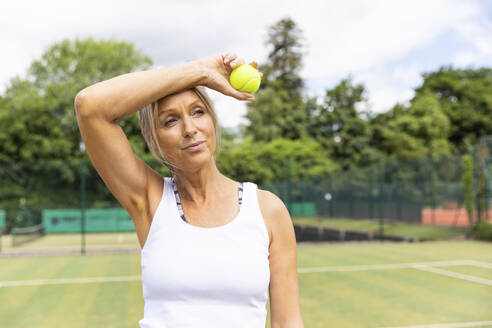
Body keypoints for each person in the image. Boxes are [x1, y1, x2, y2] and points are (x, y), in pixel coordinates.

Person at [74, 52, 304, 327]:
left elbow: (288, 322)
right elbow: (89, 106)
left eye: (198, 112)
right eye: (170, 121)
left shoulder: (268, 210)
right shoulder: (150, 201)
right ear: (153, 139)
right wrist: (200, 71)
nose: (190, 128)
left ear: (212, 121)